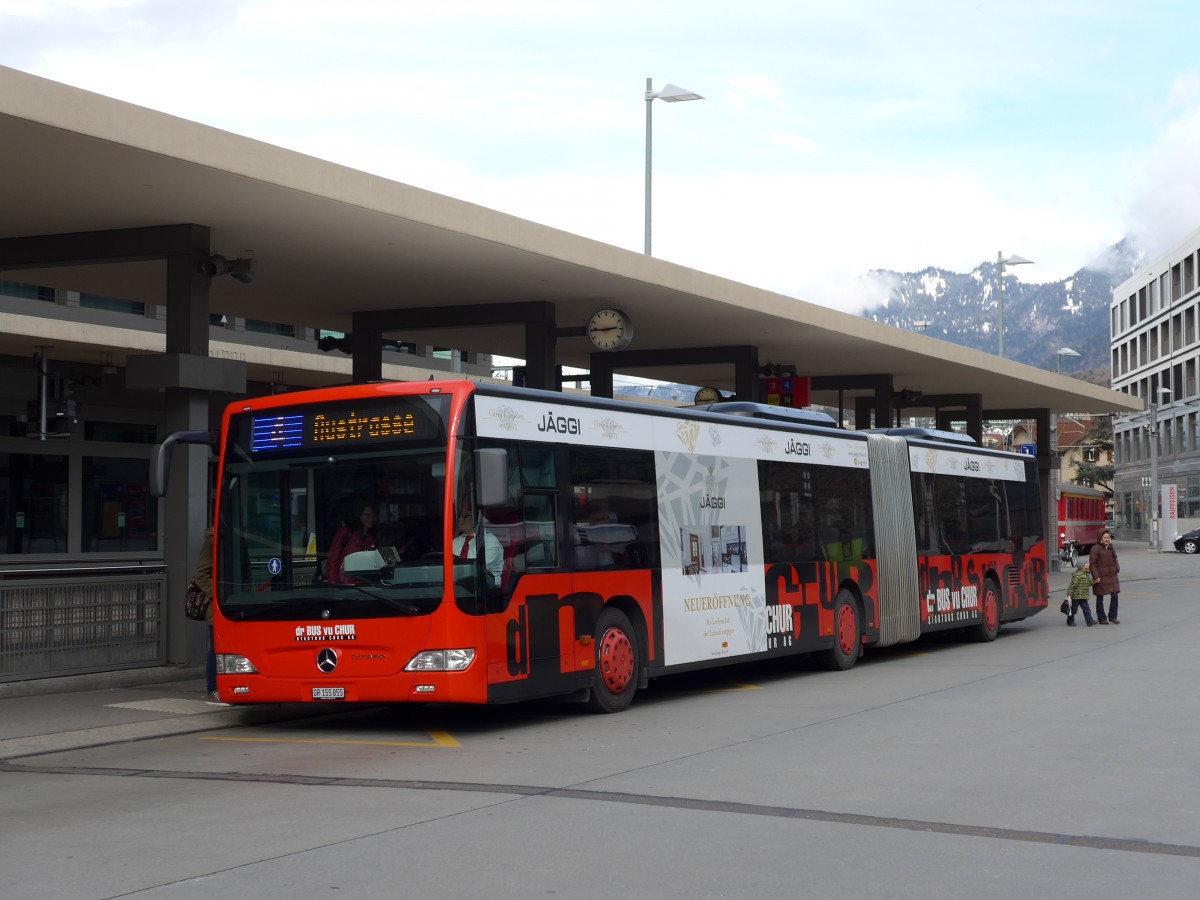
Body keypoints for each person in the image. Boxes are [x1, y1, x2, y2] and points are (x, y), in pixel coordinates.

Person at [192, 525, 229, 706]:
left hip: (236, 602)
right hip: (218, 606)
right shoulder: (212, 542)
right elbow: (201, 575)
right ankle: (213, 689)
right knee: (216, 647)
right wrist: (217, 594)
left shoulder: (238, 540)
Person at [326, 503, 377, 584]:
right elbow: (333, 560)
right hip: (345, 584)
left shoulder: (372, 538)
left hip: (365, 584)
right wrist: (334, 585)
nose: (371, 519)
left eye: (373, 516)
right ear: (359, 515)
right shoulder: (346, 532)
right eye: (367, 515)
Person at [452, 510, 503, 588]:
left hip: (487, 588)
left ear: (476, 518)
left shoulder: (490, 541)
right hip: (460, 584)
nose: (460, 519)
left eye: (465, 516)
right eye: (459, 516)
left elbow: (475, 569)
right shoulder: (455, 541)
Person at [1089, 528, 1121, 624]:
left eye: (1108, 537)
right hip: (1101, 577)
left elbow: (1115, 558)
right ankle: (1102, 618)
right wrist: (1096, 577)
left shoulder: (1110, 547)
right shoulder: (1095, 549)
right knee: (1100, 597)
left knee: (1115, 595)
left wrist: (1117, 568)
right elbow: (1092, 564)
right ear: (1100, 538)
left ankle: (1113, 616)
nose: (1107, 539)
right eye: (1105, 537)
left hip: (1112, 576)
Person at [1065, 561, 1097, 627]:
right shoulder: (1078, 575)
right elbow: (1073, 585)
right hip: (1076, 597)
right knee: (1073, 610)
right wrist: (1069, 594)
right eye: (1087, 563)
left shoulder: (1086, 574)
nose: (1089, 564)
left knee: (1086, 609)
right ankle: (1070, 621)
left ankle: (1089, 621)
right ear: (1082, 566)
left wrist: (1094, 582)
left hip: (1083, 596)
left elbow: (1088, 583)